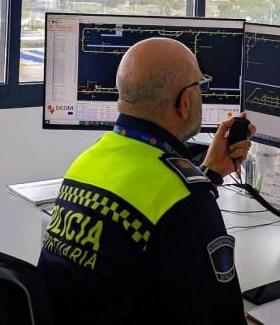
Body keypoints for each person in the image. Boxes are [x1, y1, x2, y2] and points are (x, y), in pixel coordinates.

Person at [38, 37, 254, 324]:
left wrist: (209, 173)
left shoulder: (88, 160)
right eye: (199, 88)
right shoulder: (186, 200)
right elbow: (220, 315)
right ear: (185, 101)